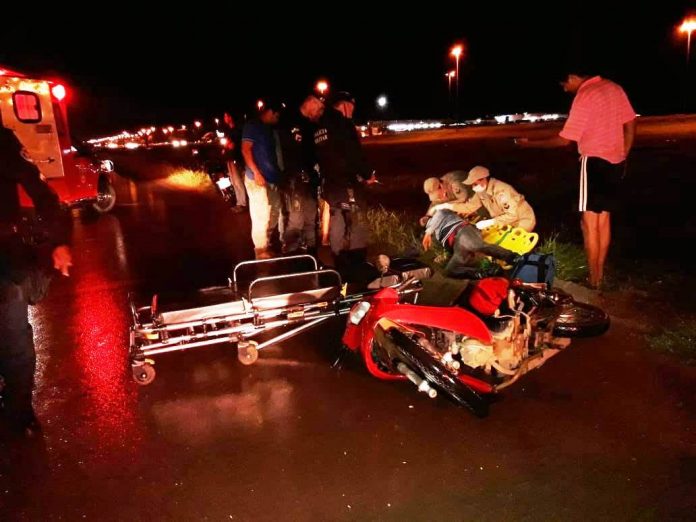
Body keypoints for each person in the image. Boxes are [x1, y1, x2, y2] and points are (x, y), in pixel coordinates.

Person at [516, 67, 636, 288]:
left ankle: (594, 278)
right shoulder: (614, 88)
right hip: (615, 162)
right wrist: (624, 153)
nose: (565, 89)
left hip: (592, 162)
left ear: (572, 77)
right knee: (603, 221)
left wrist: (529, 144)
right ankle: (600, 275)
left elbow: (565, 139)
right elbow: (630, 122)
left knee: (588, 224)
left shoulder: (585, 94)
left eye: (564, 84)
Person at [1, 123, 72, 438]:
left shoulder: (1, 140)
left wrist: (58, 241)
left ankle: (18, 415)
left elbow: (40, 190)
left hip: (4, 261)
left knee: (14, 344)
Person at [314, 91, 376, 272]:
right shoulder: (343, 123)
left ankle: (338, 258)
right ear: (345, 105)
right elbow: (354, 153)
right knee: (356, 219)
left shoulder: (319, 126)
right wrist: (367, 174)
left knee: (337, 216)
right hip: (347, 181)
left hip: (330, 183)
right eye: (352, 107)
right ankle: (356, 261)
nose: (352, 112)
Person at [277, 93, 325, 255]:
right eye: (318, 108)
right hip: (294, 179)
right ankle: (291, 254)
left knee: (311, 219)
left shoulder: (311, 125)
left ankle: (312, 254)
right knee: (296, 220)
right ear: (310, 103)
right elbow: (288, 152)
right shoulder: (289, 121)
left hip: (310, 179)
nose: (319, 112)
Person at [430, 165, 536, 232]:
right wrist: (448, 206)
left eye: (475, 184)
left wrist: (491, 222)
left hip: (522, 221)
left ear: (483, 179)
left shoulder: (502, 191)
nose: (473, 187)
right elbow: (470, 206)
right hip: (506, 222)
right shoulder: (481, 191)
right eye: (472, 185)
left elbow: (512, 215)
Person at [241, 101, 284, 259]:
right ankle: (260, 250)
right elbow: (246, 150)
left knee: (274, 212)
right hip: (256, 178)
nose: (278, 119)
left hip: (271, 179)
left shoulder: (269, 129)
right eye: (277, 116)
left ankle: (266, 242)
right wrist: (256, 172)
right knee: (261, 214)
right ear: (270, 112)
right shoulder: (252, 126)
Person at [421, 208, 518, 278]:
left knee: (476, 246)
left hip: (462, 232)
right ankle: (486, 273)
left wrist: (428, 232)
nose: (423, 221)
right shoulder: (435, 234)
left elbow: (439, 215)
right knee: (450, 270)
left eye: (424, 219)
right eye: (422, 223)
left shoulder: (441, 213)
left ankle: (512, 257)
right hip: (457, 246)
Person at [221, 112, 247, 213]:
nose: (225, 118)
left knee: (238, 181)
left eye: (226, 116)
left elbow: (235, 145)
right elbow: (228, 144)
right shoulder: (229, 130)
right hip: (229, 158)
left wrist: (230, 145)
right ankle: (239, 202)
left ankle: (242, 203)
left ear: (231, 117)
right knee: (234, 182)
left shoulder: (238, 129)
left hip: (235, 158)